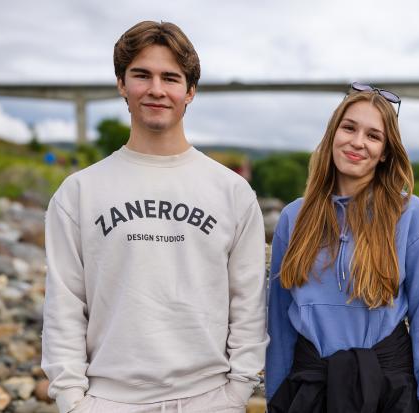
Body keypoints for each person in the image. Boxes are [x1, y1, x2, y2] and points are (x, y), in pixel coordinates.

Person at [41, 21, 266, 413]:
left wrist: (238, 390)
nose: (156, 89)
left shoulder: (232, 192)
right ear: (121, 84)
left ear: (190, 91)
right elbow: (64, 304)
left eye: (171, 78)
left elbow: (248, 301)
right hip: (108, 400)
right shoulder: (78, 192)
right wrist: (72, 400)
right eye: (142, 75)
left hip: (210, 398)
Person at [265, 84, 419, 413]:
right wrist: (275, 398)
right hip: (309, 392)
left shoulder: (411, 215)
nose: (358, 142)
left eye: (373, 135)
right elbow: (278, 323)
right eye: (349, 128)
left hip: (387, 393)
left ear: (386, 151)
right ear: (333, 134)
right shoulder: (293, 217)